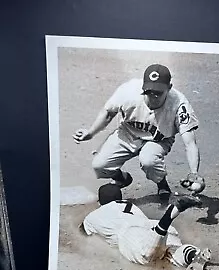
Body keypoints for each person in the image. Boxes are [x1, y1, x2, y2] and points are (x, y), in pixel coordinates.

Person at [73, 64, 205, 198]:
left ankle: (161, 183)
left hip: (159, 139)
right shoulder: (128, 92)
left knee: (149, 160)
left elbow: (190, 143)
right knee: (99, 166)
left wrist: (194, 172)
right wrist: (90, 133)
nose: (153, 96)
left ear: (169, 88)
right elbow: (108, 113)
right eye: (149, 91)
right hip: (128, 133)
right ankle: (122, 178)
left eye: (158, 93)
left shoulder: (179, 104)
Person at [80, 183, 211, 270]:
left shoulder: (93, 216)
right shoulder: (129, 205)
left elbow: (81, 232)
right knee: (171, 252)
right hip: (149, 225)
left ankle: (172, 212)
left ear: (100, 202)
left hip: (130, 235)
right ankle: (193, 255)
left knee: (147, 254)